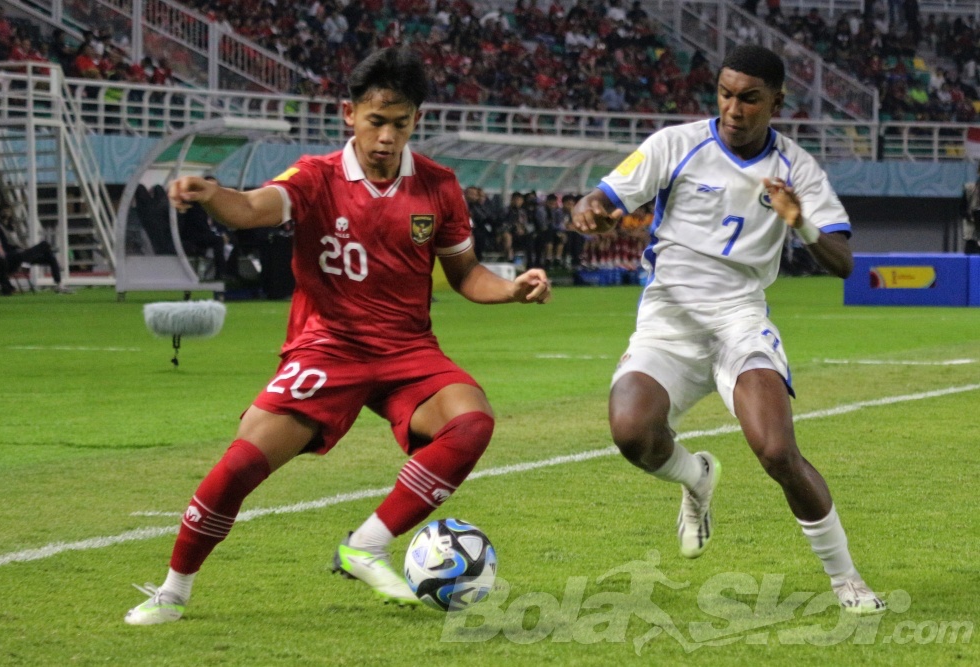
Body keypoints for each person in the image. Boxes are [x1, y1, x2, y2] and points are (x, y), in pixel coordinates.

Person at [124, 46, 551, 625]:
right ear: (349, 114)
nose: (385, 137)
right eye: (376, 122)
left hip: (407, 352)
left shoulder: (439, 186)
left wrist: (511, 288)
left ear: (416, 122)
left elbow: (466, 274)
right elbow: (253, 207)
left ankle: (367, 544)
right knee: (242, 464)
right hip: (327, 348)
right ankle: (173, 591)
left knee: (471, 421)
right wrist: (211, 195)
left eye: (399, 124)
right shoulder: (316, 177)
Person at [570, 44, 885, 615]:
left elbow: (842, 262)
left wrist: (799, 220)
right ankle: (697, 478)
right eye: (725, 94)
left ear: (776, 102)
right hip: (667, 318)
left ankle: (847, 580)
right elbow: (604, 196)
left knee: (777, 451)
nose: (733, 108)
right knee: (631, 432)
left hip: (739, 318)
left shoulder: (798, 169)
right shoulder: (675, 144)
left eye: (749, 98)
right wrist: (588, 208)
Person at [0, 203, 72, 293]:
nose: (6, 212)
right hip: (11, 255)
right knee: (45, 244)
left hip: (20, 253)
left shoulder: (12, 227)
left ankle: (59, 284)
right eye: (4, 210)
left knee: (50, 257)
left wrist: (23, 248)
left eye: (8, 210)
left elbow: (17, 242)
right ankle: (27, 264)